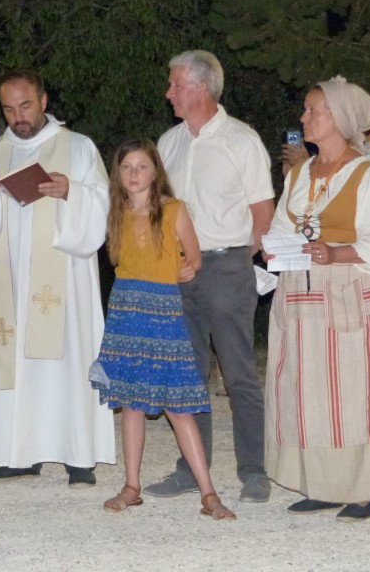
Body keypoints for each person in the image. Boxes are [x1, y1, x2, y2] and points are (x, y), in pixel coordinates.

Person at [0, 70, 115, 487]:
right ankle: (19, 452)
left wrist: (71, 192)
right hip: (9, 282)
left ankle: (78, 454)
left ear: (44, 100)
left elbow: (102, 202)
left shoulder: (78, 147)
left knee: (69, 359)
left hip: (63, 276)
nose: (18, 116)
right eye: (9, 109)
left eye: (25, 105)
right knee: (16, 361)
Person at [264, 76, 370, 522]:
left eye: (313, 110)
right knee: (306, 392)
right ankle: (320, 485)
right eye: (305, 110)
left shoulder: (367, 175)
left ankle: (361, 491)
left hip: (347, 296)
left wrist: (335, 252)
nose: (304, 118)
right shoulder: (300, 173)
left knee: (350, 393)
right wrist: (272, 246)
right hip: (302, 297)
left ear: (339, 118)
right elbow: (285, 228)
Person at [143, 50, 275, 503]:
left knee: (238, 373)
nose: (169, 93)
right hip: (176, 271)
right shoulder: (168, 143)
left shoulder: (242, 141)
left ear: (201, 87)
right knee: (187, 375)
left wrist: (236, 262)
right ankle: (190, 469)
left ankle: (254, 471)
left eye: (176, 84)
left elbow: (263, 217)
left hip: (225, 267)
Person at [90, 138, 236, 521]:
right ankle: (131, 486)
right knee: (132, 404)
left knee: (178, 405)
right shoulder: (116, 211)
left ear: (156, 172)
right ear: (117, 175)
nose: (134, 174)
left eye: (142, 166)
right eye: (127, 167)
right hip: (126, 310)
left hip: (164, 312)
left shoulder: (174, 210)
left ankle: (208, 492)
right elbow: (119, 259)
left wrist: (182, 269)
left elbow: (195, 256)